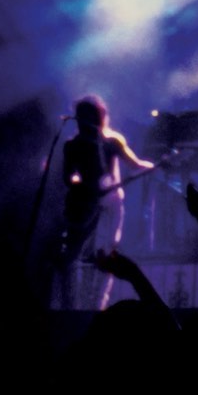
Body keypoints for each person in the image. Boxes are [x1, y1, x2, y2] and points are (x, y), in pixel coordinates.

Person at [58, 93, 154, 309]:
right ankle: (70, 306)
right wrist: (82, 186)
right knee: (73, 255)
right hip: (82, 206)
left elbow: (135, 164)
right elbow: (67, 177)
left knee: (105, 255)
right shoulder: (73, 145)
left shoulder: (112, 142)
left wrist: (157, 165)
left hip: (110, 206)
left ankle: (97, 306)